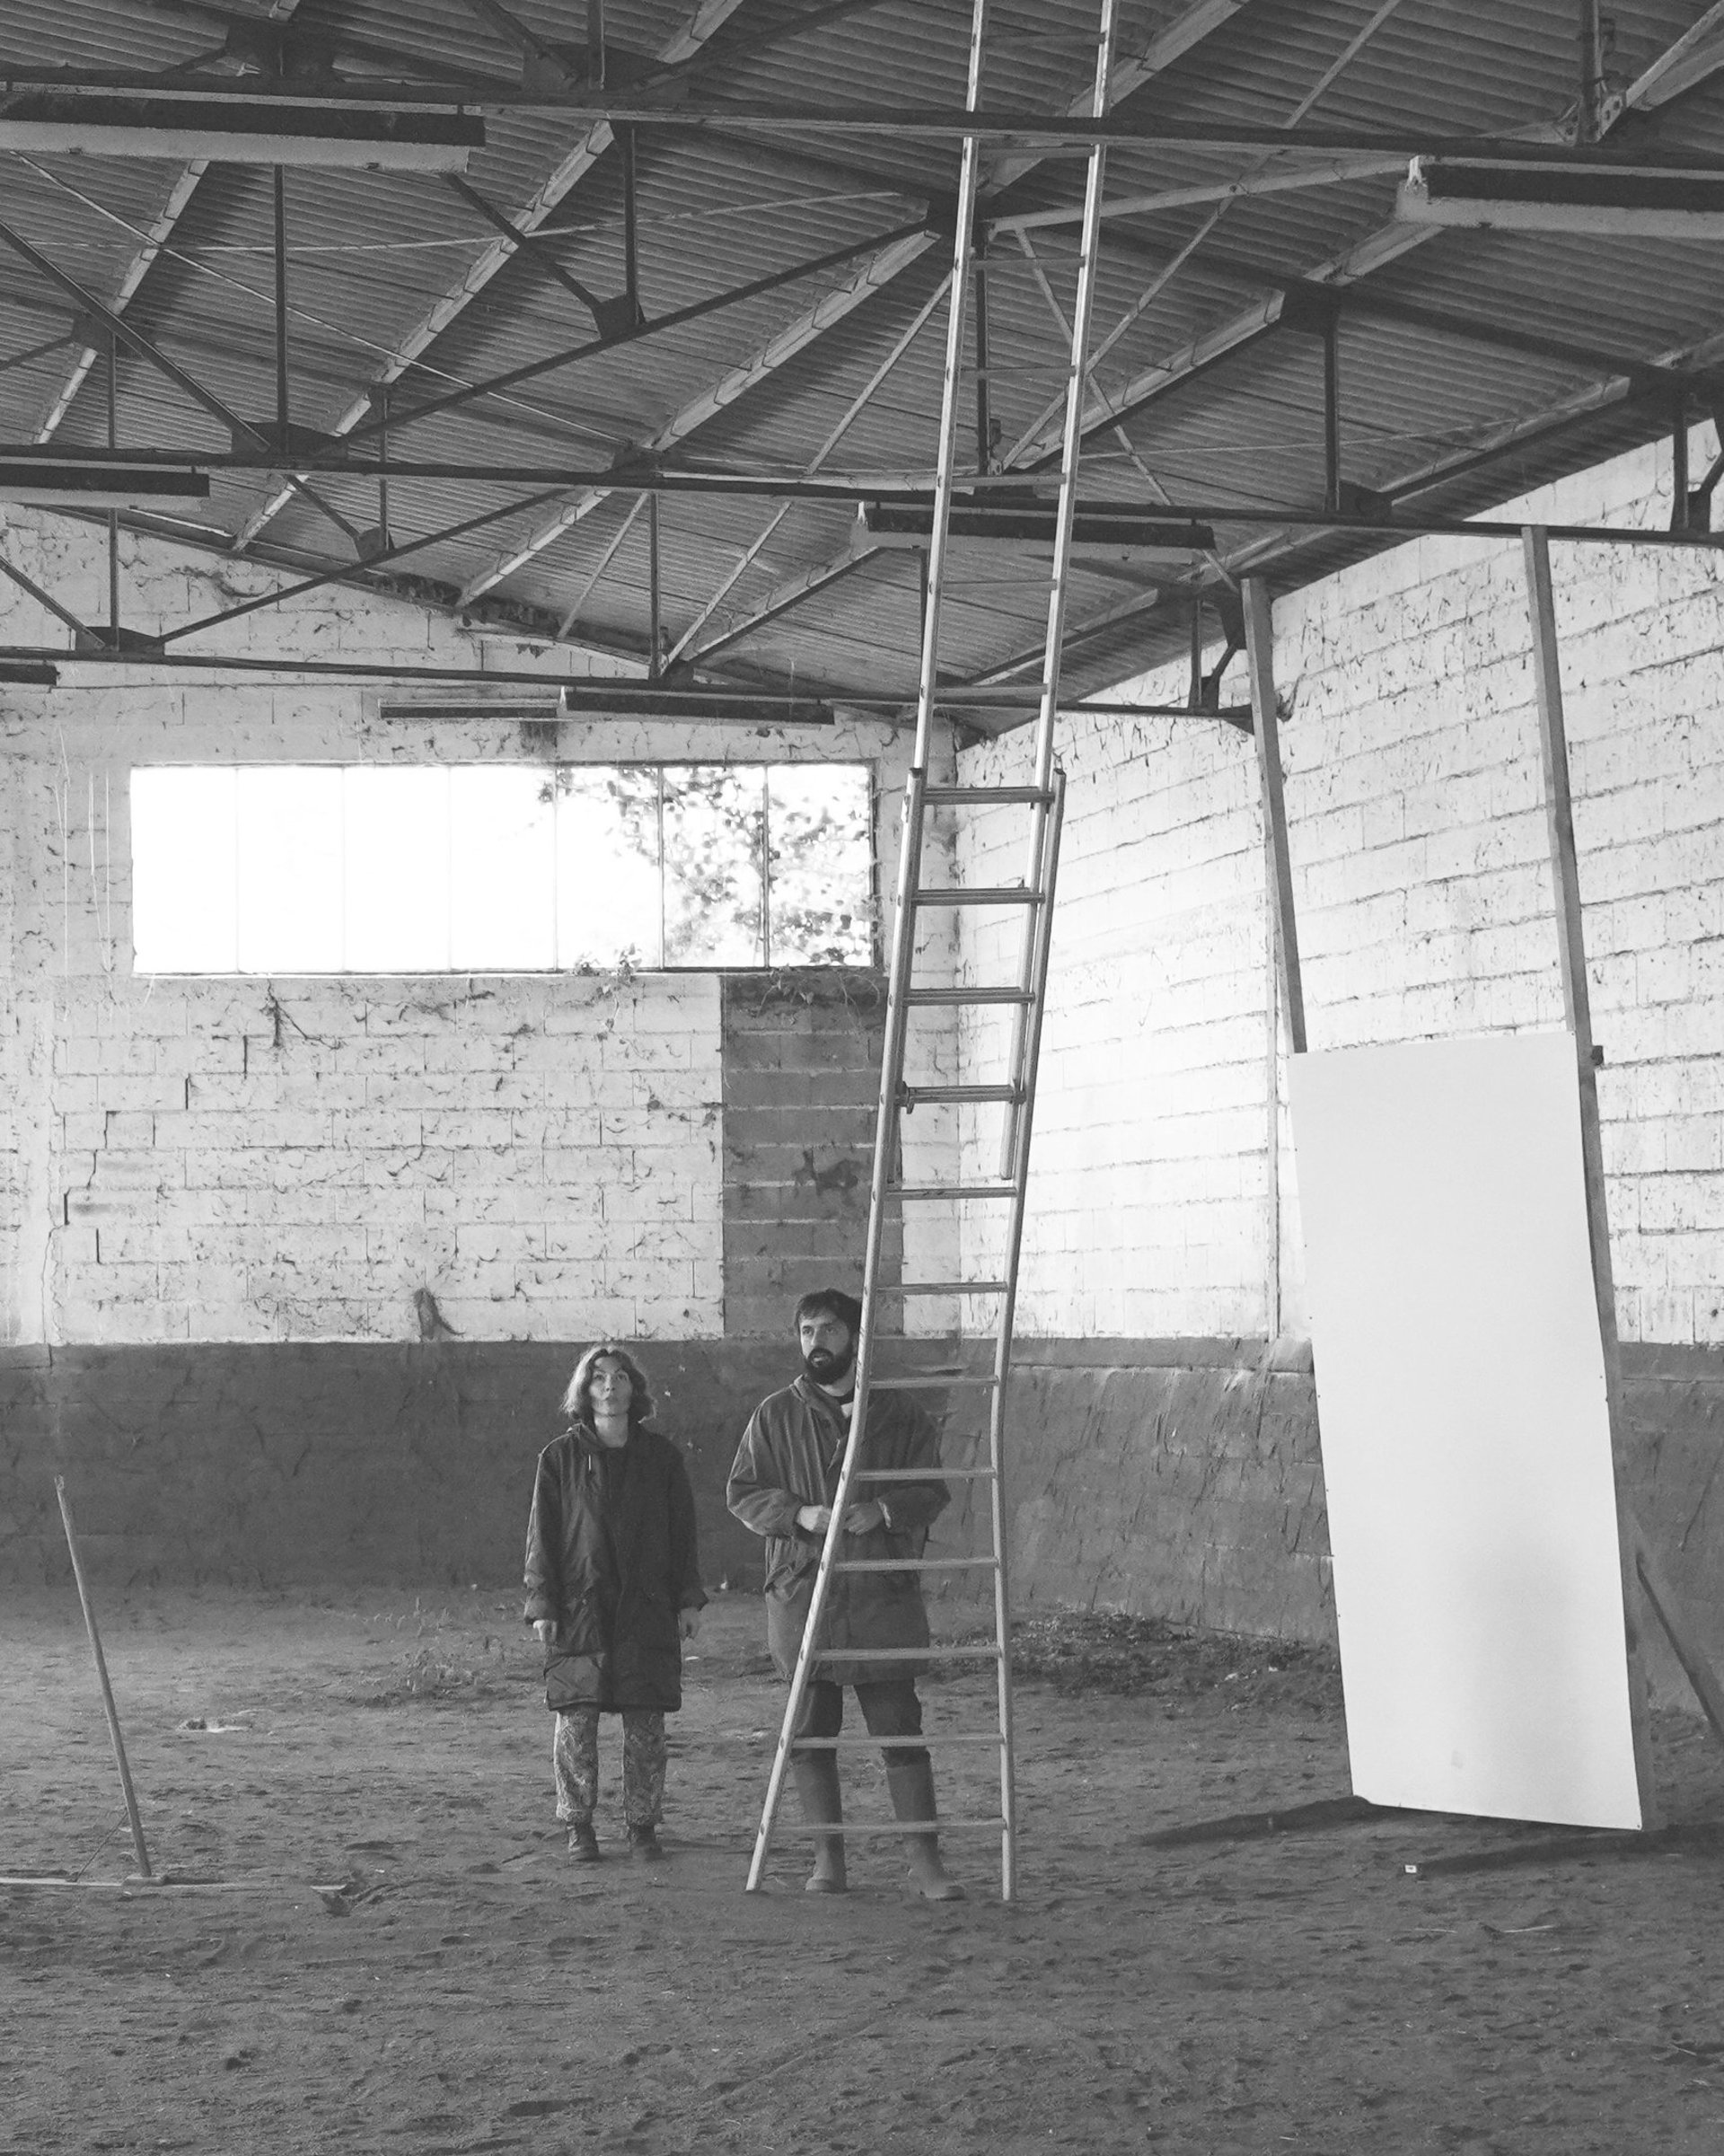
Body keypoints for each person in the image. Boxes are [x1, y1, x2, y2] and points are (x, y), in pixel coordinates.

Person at [726, 1287, 963, 1900]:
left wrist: (883, 1509)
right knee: (809, 1731)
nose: (816, 1342)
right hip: (805, 1592)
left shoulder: (900, 1415)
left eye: (828, 1329)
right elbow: (744, 1490)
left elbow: (930, 1490)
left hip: (879, 1590)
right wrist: (798, 1513)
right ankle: (826, 1855)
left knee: (899, 1727)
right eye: (806, 1331)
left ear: (856, 1337)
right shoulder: (775, 1416)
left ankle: (924, 1858)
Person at [523, 1342, 706, 1862]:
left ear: (635, 1389)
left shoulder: (661, 1459)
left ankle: (642, 1827)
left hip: (646, 1606)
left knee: (646, 1723)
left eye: (620, 1376)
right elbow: (542, 1534)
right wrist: (543, 1604)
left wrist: (688, 1599)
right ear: (584, 1390)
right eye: (599, 1377)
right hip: (581, 1607)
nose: (610, 1385)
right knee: (576, 1721)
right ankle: (578, 1826)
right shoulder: (558, 1458)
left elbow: (682, 1534)